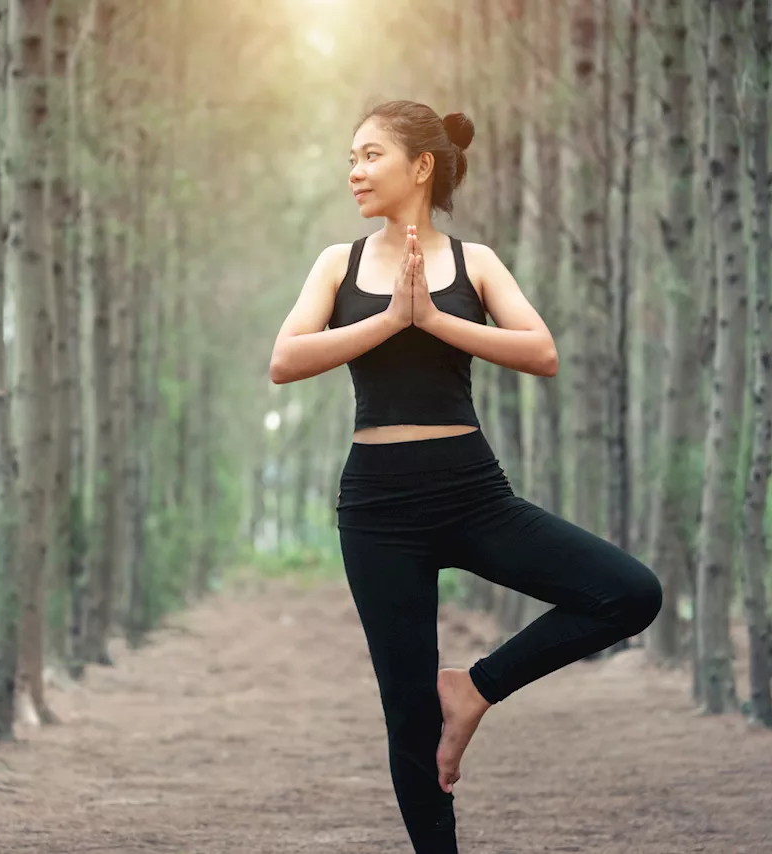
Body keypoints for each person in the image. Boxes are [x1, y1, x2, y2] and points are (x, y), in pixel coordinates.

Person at [267, 100, 663, 853]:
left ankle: (476, 686)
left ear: (421, 166)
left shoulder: (474, 262)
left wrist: (434, 318)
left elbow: (540, 351)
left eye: (371, 155)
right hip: (378, 505)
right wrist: (388, 319)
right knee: (408, 713)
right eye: (350, 157)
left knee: (629, 591)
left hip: (472, 491)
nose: (354, 171)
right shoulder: (337, 264)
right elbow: (285, 361)